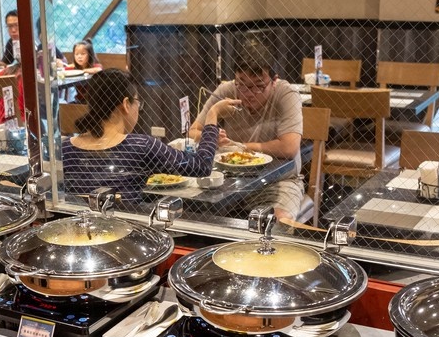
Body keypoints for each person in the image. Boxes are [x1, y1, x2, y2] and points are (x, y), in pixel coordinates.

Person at [62, 69, 230, 200]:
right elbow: (201, 166)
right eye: (137, 103)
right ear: (126, 104)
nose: (138, 110)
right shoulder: (141, 146)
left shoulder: (64, 150)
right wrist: (212, 114)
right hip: (126, 237)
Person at [189, 42, 303, 221]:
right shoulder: (226, 91)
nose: (248, 94)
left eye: (258, 86)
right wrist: (211, 138)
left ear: (274, 81)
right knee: (195, 217)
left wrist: (240, 147)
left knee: (279, 223)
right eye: (242, 85)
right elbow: (193, 132)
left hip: (278, 182)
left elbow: (289, 147)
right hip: (229, 182)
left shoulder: (286, 94)